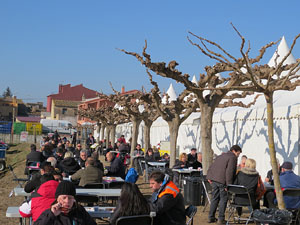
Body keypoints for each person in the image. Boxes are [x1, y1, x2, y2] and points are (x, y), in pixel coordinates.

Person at [206, 145, 242, 224]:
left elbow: (212, 166)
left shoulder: (221, 156)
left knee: (214, 198)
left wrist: (209, 176)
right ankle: (221, 219)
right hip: (223, 181)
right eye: (238, 153)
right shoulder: (232, 157)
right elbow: (230, 172)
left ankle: (210, 217)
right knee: (223, 199)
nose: (238, 156)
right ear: (234, 151)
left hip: (215, 180)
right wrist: (228, 185)